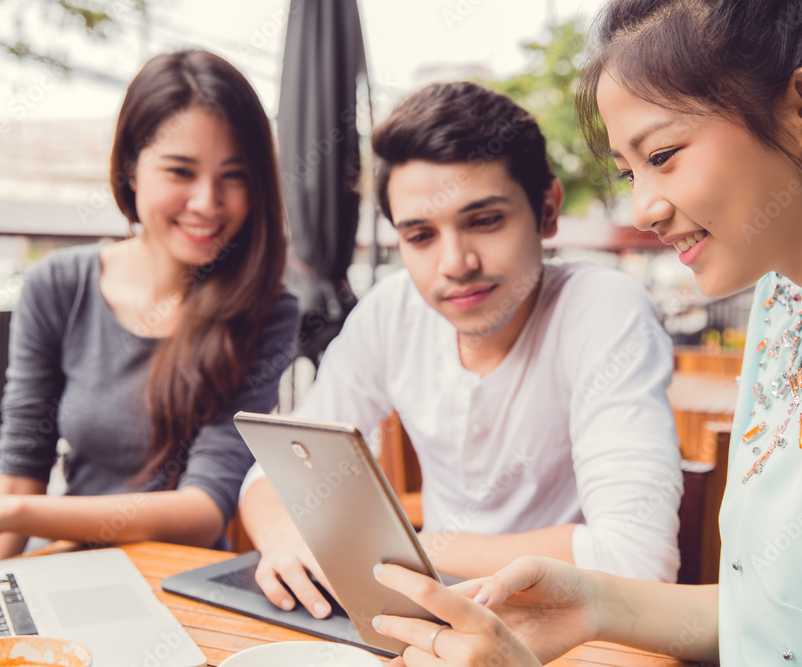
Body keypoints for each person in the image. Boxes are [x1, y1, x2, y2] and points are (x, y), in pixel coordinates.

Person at [369, 0, 802, 665]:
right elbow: (785, 614)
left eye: (664, 154)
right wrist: (597, 604)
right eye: (628, 171)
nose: (642, 208)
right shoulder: (787, 295)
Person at [238, 80, 684, 621]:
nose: (455, 263)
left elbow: (635, 562)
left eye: (485, 220)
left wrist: (405, 552)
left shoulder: (603, 308)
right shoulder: (391, 310)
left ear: (546, 210)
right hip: (425, 614)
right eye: (421, 236)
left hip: (564, 621)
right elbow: (278, 466)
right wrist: (288, 539)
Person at [0, 49, 298, 568]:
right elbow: (20, 469)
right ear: (131, 170)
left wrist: (9, 512)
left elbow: (204, 510)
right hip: (66, 565)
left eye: (234, 176)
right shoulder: (59, 284)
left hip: (179, 581)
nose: (207, 201)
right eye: (180, 171)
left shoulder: (266, 309)